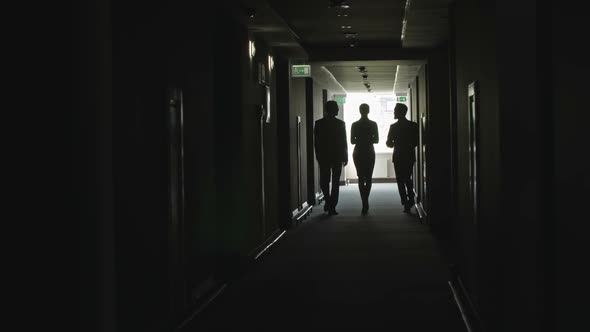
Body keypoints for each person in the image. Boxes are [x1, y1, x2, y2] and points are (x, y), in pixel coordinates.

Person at [314, 100, 348, 216]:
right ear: (332, 109)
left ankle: (329, 202)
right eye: (337, 108)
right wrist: (345, 156)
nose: (338, 110)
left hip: (324, 156)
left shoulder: (319, 123)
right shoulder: (340, 123)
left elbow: (316, 142)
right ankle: (331, 204)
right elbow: (344, 142)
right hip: (337, 156)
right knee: (335, 182)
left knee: (324, 180)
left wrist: (318, 155)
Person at [386, 103, 419, 213]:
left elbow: (389, 144)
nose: (394, 112)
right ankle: (410, 198)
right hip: (409, 155)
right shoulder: (413, 125)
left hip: (398, 156)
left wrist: (396, 143)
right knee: (407, 178)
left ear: (400, 112)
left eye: (395, 110)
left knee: (400, 180)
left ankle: (405, 202)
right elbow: (416, 142)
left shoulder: (393, 127)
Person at [351, 103, 379, 215]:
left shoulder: (355, 125)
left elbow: (352, 141)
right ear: (368, 111)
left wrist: (360, 138)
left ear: (359, 111)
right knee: (368, 177)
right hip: (369, 151)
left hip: (358, 152)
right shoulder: (373, 124)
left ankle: (364, 201)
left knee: (361, 177)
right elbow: (376, 140)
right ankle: (365, 200)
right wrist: (368, 138)